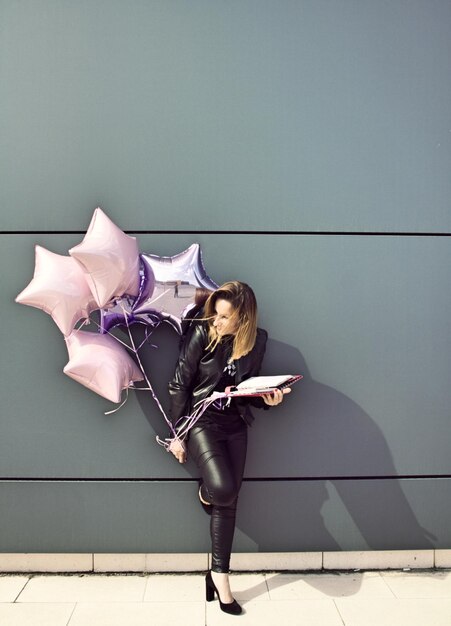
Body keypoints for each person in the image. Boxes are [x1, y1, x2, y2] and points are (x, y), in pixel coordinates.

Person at [167, 281, 289, 615]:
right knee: (221, 489)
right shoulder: (203, 334)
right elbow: (180, 383)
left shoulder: (257, 340)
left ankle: (219, 577)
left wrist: (270, 400)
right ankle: (207, 493)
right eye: (216, 314)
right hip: (202, 422)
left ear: (244, 318)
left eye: (225, 316)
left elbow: (249, 388)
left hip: (235, 425)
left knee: (231, 498)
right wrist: (178, 433)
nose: (217, 322)